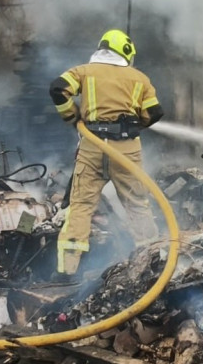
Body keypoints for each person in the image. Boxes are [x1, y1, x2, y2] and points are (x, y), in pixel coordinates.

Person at [49, 29, 164, 280]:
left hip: (92, 148)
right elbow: (155, 112)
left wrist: (71, 116)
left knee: (80, 207)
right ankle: (152, 262)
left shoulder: (83, 71)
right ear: (126, 52)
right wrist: (136, 125)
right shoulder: (139, 78)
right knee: (136, 205)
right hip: (126, 150)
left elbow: (58, 88)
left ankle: (67, 272)